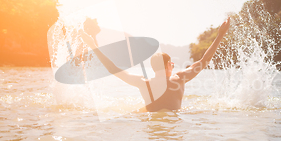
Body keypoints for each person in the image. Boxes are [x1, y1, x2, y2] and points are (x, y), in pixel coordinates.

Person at [79, 17, 230, 112]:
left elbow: (113, 68)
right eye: (171, 63)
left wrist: (93, 46)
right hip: (174, 124)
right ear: (168, 65)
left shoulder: (143, 83)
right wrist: (220, 35)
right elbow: (204, 61)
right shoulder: (179, 78)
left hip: (150, 125)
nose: (173, 65)